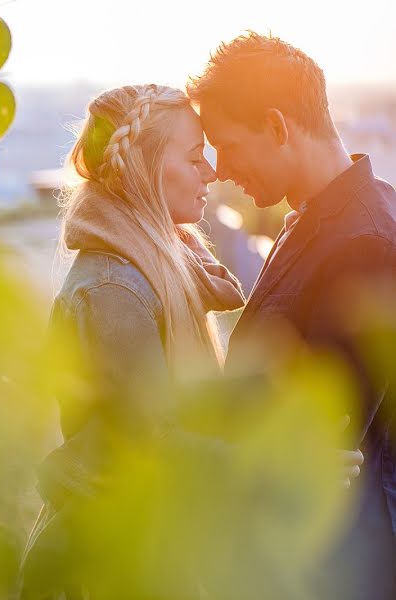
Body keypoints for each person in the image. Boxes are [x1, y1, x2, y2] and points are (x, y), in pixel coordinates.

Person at [187, 32, 396, 599]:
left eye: (226, 146)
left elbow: (319, 444)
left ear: (278, 127)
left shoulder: (366, 241)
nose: (221, 169)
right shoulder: (320, 214)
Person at [19, 84, 247, 599]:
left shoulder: (162, 266)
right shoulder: (114, 290)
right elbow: (149, 444)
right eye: (194, 158)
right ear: (145, 168)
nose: (210, 172)